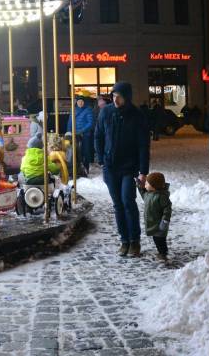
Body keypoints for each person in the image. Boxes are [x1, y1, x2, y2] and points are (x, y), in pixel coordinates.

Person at [95, 81, 150, 258]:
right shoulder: (106, 112)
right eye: (113, 96)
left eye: (119, 96)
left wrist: (143, 171)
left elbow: (143, 145)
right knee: (117, 204)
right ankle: (124, 240)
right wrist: (102, 160)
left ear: (127, 97)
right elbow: (98, 136)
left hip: (129, 167)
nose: (115, 99)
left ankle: (135, 241)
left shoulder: (136, 115)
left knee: (128, 201)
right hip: (110, 167)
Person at [137, 171, 172, 261]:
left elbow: (167, 208)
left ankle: (163, 253)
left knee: (160, 240)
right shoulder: (148, 194)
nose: (145, 184)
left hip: (160, 224)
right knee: (156, 239)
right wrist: (139, 185)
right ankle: (162, 252)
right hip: (152, 223)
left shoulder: (161, 196)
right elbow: (142, 193)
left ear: (154, 186)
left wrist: (165, 220)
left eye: (147, 183)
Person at [67, 96, 94, 175]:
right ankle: (77, 168)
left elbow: (90, 123)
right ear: (76, 102)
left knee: (85, 151)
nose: (80, 103)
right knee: (76, 152)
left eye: (82, 101)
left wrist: (81, 130)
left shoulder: (88, 110)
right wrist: (68, 131)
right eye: (79, 101)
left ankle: (86, 168)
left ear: (84, 102)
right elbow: (70, 122)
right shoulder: (73, 110)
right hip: (74, 134)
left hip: (85, 134)